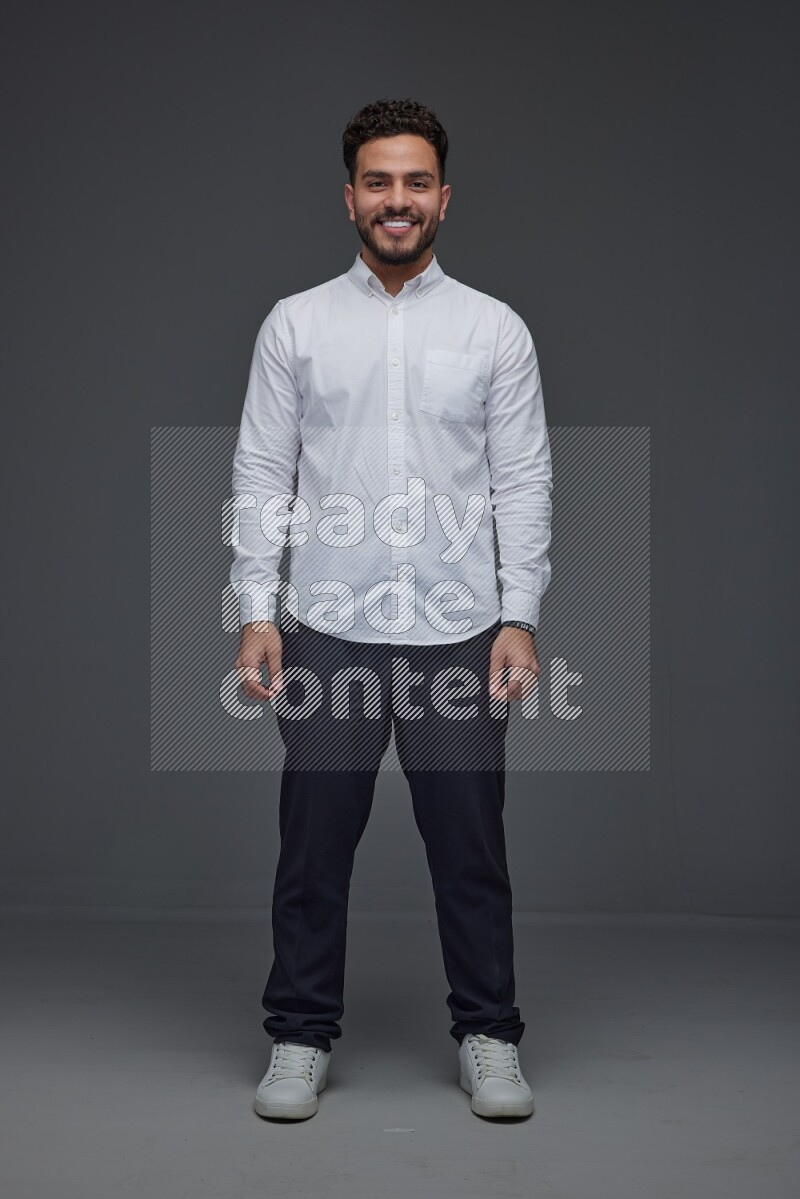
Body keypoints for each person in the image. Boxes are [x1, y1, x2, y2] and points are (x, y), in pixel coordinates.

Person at [229, 98, 553, 1121]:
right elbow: (260, 469)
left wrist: (518, 613)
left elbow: (523, 483)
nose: (397, 200)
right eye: (378, 181)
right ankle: (297, 1034)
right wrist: (255, 606)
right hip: (326, 626)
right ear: (350, 196)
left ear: (443, 198)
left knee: (469, 848)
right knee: (312, 847)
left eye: (415, 182)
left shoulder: (492, 328)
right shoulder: (296, 323)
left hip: (459, 629)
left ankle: (489, 1032)